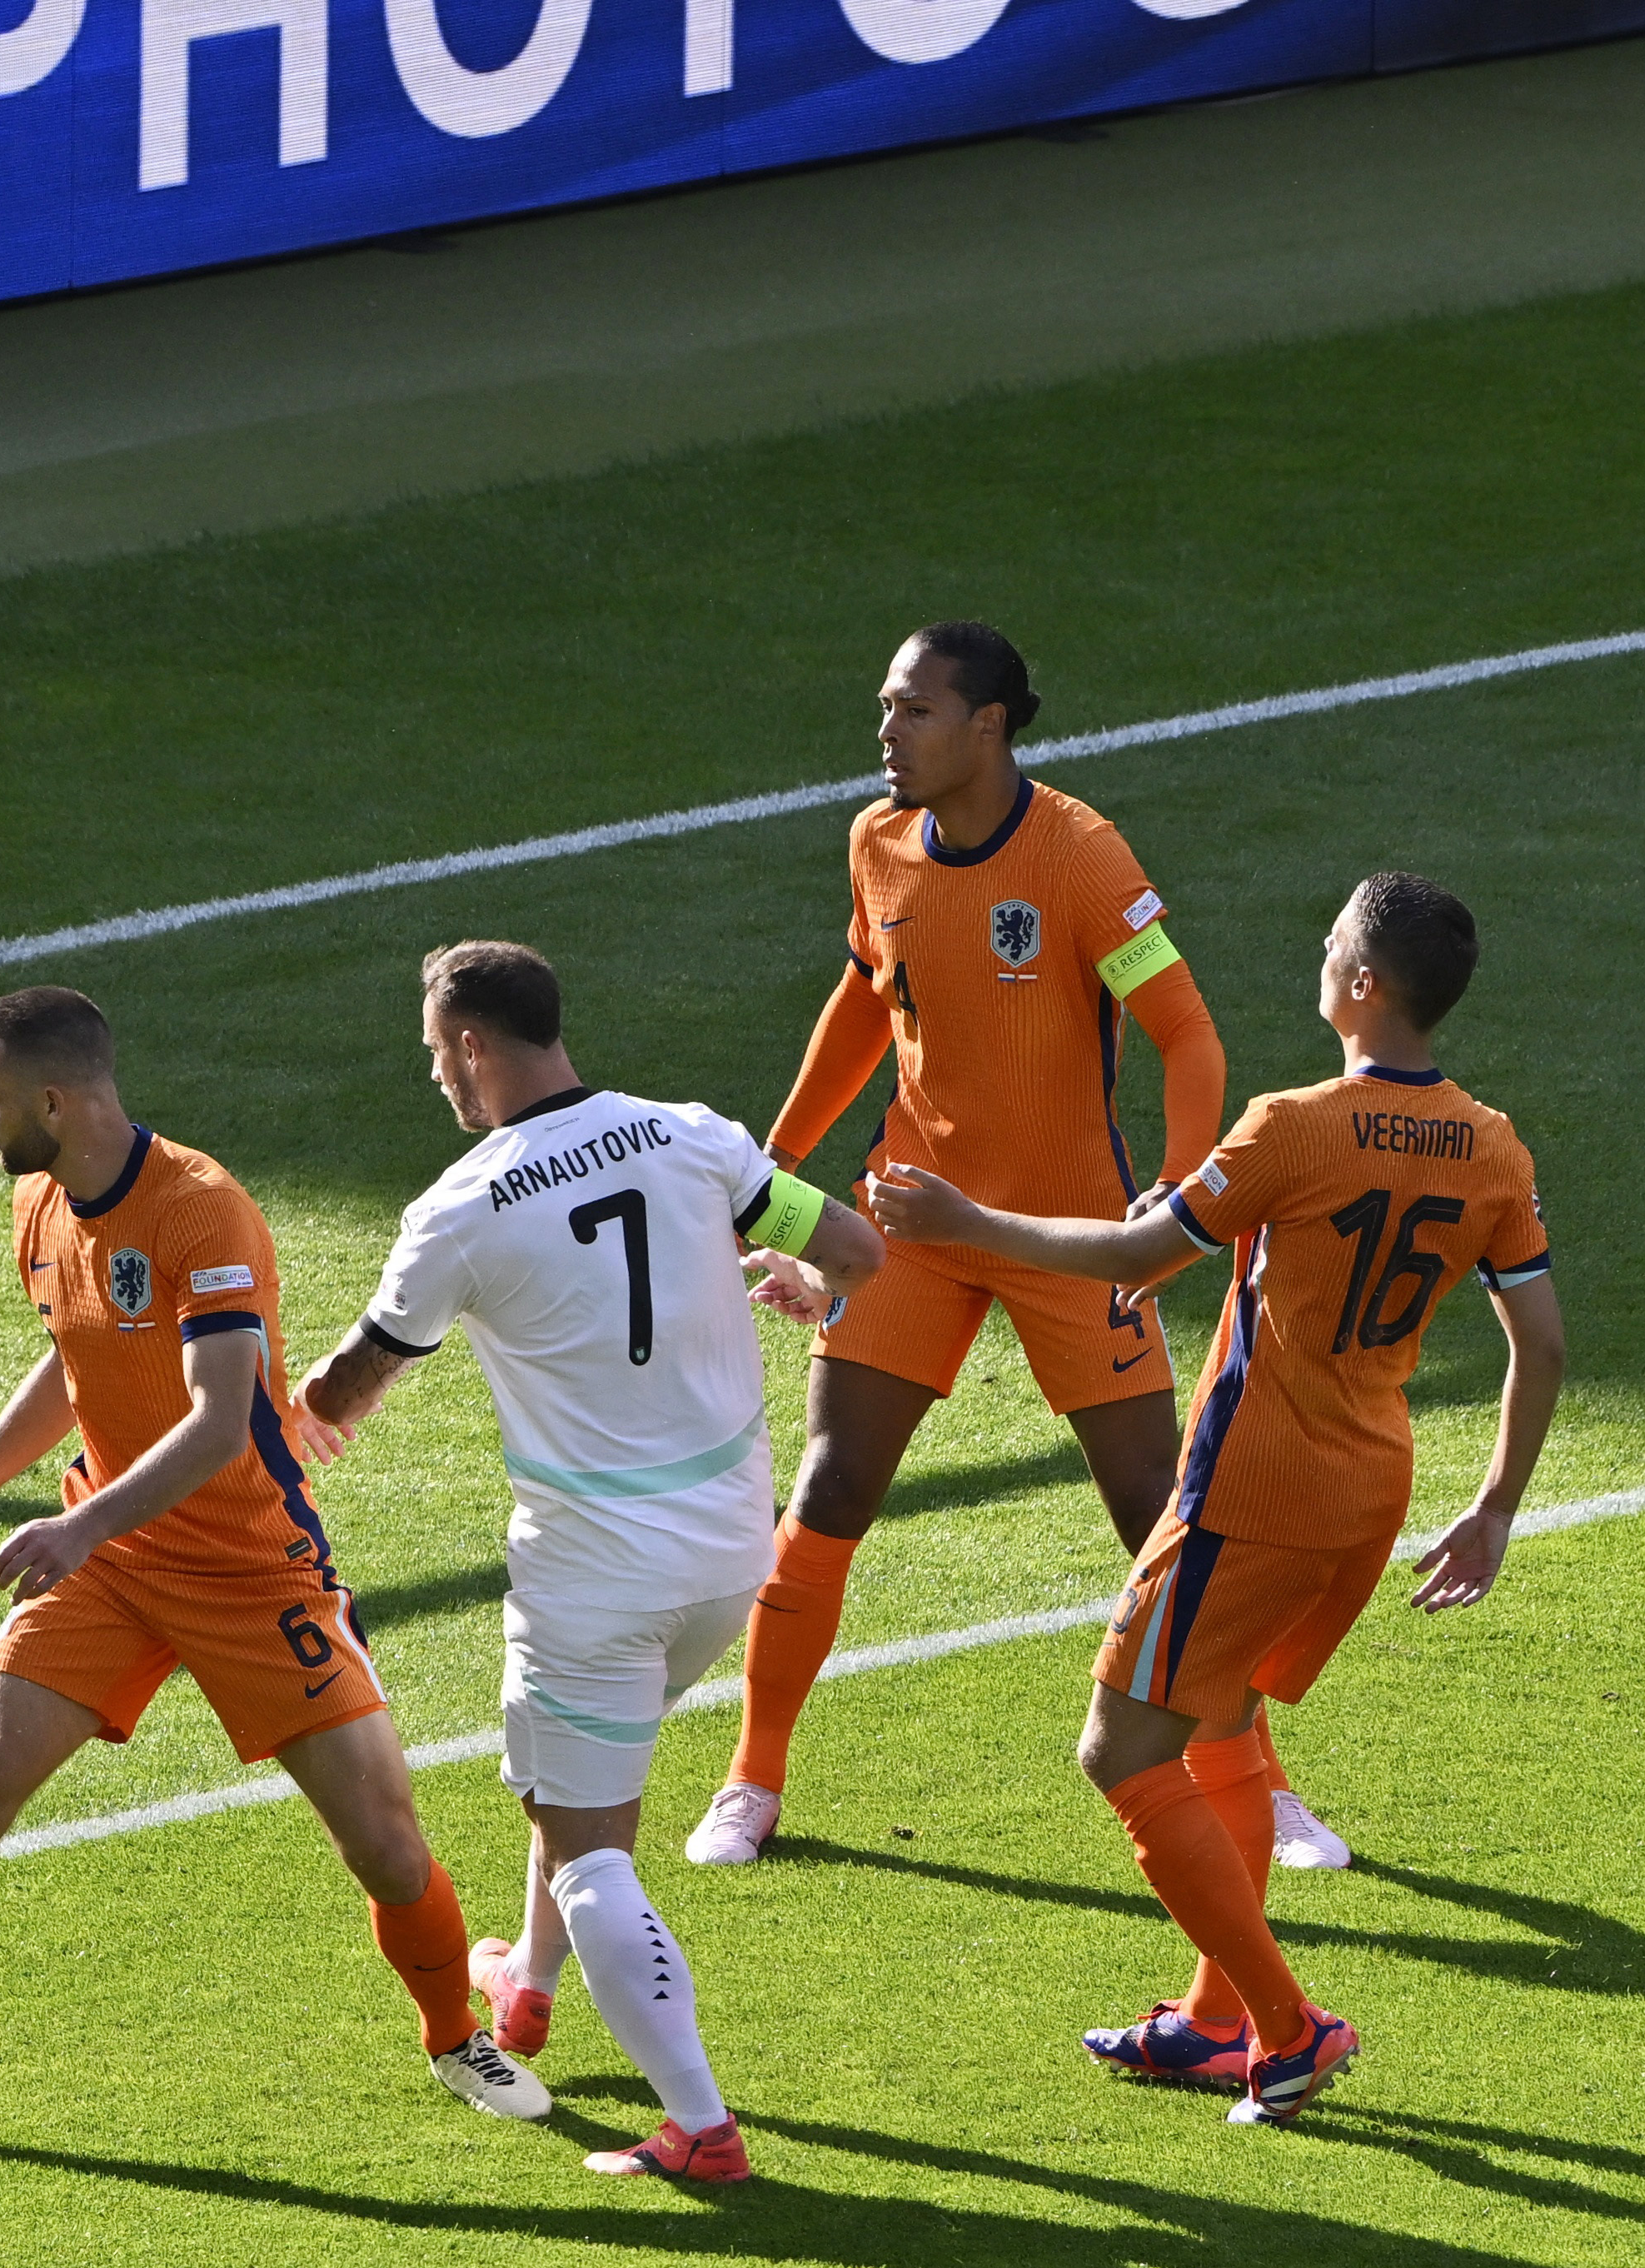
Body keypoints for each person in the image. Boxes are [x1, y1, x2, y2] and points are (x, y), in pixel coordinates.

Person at [0, 984, 541, 2160]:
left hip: (249, 1567)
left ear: (52, 1098)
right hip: (114, 1560)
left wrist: (72, 1530)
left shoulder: (201, 1212)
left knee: (383, 1839)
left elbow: (222, 1421)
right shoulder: (40, 1202)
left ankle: (454, 2037)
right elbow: (75, 1357)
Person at [867, 874, 1559, 2126]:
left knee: (1121, 1748)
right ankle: (1209, 2023)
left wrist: (964, 1220)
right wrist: (1498, 1504)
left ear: (1356, 985)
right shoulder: (1492, 1143)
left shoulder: (1290, 1123)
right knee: (1222, 1722)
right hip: (1369, 1486)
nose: (1318, 952)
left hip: (1254, 1490)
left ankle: (1290, 2032)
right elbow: (1543, 1342)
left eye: (1329, 940)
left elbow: (1140, 1256)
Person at [691, 622, 1349, 1875]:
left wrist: (1169, 1214)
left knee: (1154, 1515)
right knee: (831, 1487)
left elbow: (1190, 1037)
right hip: (911, 1226)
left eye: (913, 710)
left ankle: (1258, 1788)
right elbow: (862, 1002)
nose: (886, 730)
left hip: (1068, 1237)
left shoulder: (1080, 857)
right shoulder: (875, 840)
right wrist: (770, 1165)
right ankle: (752, 1778)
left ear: (988, 725)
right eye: (884, 707)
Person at [292, 943, 890, 2182]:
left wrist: (305, 1406)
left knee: (586, 1846)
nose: (434, 1079)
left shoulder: (459, 1206)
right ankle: (525, 1987)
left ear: (469, 1046)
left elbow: (351, 1382)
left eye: (432, 1053)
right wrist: (805, 1287)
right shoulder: (689, 1137)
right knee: (579, 1773)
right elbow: (856, 1251)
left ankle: (700, 2126)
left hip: (594, 1580)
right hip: (730, 1559)